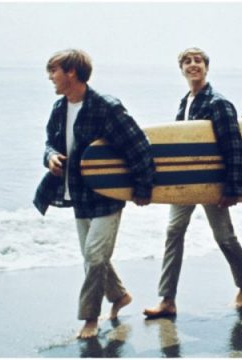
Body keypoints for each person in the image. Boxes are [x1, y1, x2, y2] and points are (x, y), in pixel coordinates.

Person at [33, 48, 155, 338]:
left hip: (107, 194)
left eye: (54, 71)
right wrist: (50, 157)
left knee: (95, 256)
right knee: (92, 256)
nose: (51, 78)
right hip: (78, 194)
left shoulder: (105, 106)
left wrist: (142, 187)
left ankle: (90, 318)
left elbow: (139, 146)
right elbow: (50, 143)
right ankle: (119, 296)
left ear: (71, 72)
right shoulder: (60, 108)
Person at [143, 47, 242, 318]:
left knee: (224, 237)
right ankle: (167, 300)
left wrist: (232, 188)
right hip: (186, 183)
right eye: (187, 61)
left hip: (211, 183)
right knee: (173, 232)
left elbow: (234, 146)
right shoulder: (186, 101)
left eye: (198, 61)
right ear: (181, 69)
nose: (192, 65)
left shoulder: (218, 103)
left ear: (206, 67)